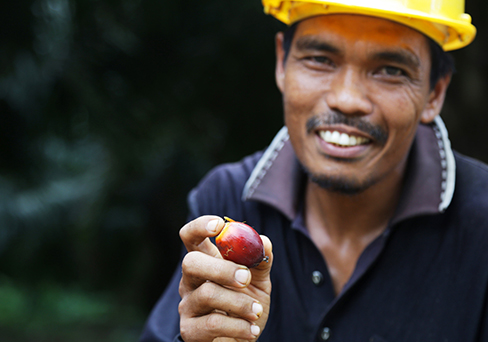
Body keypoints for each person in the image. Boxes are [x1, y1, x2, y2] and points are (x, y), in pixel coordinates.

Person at [140, 0, 488, 341]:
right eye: (320, 60)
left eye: (391, 70)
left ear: (435, 92)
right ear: (282, 63)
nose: (347, 99)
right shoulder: (227, 200)